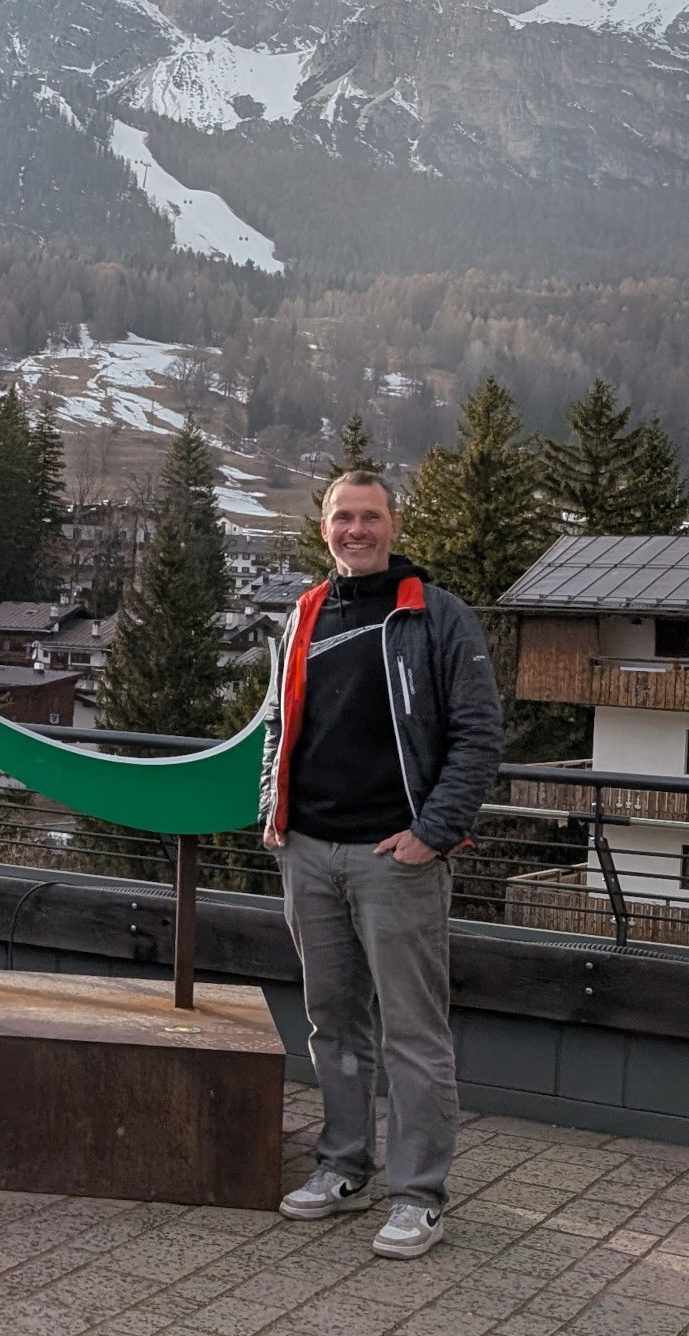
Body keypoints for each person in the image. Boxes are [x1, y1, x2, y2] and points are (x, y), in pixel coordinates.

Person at [260, 470, 502, 1259]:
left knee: (413, 1035)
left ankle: (419, 1196)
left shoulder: (436, 616)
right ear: (322, 526)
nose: (354, 529)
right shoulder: (305, 613)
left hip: (396, 858)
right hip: (311, 852)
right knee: (333, 1024)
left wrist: (433, 833)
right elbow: (278, 722)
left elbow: (477, 736)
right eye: (341, 517)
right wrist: (276, 811)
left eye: (369, 516)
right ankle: (342, 1167)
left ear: (394, 524)